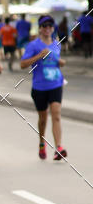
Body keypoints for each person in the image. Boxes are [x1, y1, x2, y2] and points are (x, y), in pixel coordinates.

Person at [21, 15, 67, 161]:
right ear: (40, 28)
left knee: (56, 114)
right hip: (40, 87)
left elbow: (55, 60)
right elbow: (22, 64)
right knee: (43, 119)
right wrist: (39, 56)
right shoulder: (33, 45)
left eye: (50, 26)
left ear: (53, 28)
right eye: (44, 26)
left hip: (56, 84)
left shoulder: (56, 44)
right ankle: (42, 143)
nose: (47, 29)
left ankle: (58, 148)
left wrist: (60, 62)